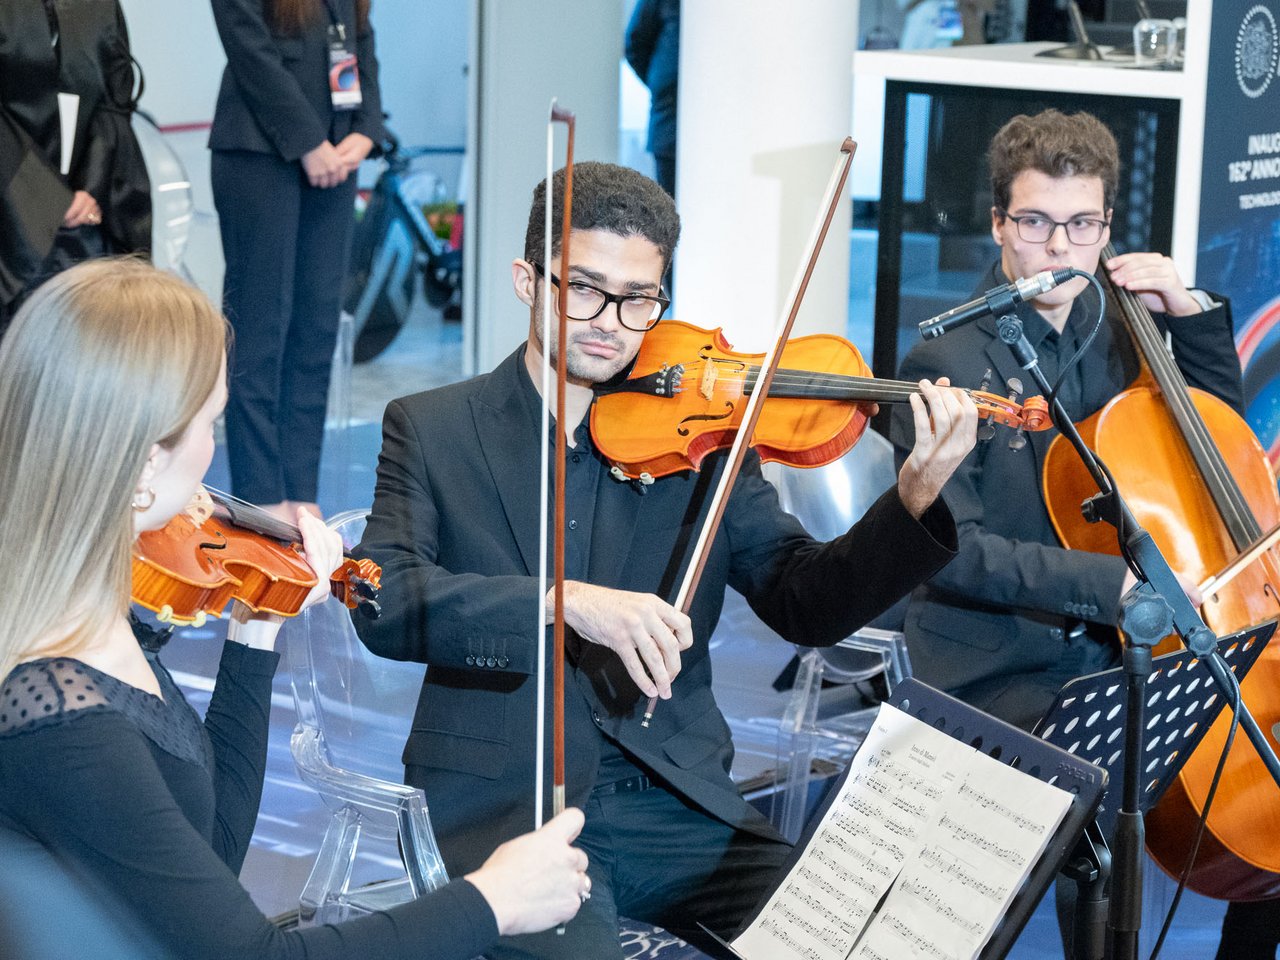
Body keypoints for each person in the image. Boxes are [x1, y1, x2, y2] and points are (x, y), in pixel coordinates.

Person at [353, 160, 978, 960]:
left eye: (640, 298)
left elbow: (805, 602)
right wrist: (561, 600)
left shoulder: (707, 439)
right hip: (508, 809)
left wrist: (915, 496)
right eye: (583, 288)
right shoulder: (432, 426)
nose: (611, 321)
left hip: (677, 796)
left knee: (850, 938)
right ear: (525, 279)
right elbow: (386, 603)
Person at [0, 259, 590, 960]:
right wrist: (492, 899)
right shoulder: (64, 717)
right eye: (212, 423)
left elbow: (209, 851)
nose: (213, 469)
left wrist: (255, 634)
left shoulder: (98, 625)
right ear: (145, 463)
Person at [888, 109, 1274, 959]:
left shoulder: (1124, 329)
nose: (1059, 250)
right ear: (999, 225)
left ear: (1105, 226)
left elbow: (1213, 441)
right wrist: (1114, 589)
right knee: (1098, 824)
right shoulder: (943, 364)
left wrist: (1190, 312)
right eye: (1034, 223)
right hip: (1001, 660)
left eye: (1082, 226)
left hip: (1118, 648)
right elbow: (957, 551)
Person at [209, 0, 385, 522]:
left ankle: (300, 491)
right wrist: (308, 141)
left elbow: (360, 42)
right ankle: (261, 498)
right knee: (260, 328)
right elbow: (248, 46)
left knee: (316, 329)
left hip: (338, 157)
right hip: (260, 155)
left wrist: (367, 129)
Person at [0, 0, 151, 331]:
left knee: (93, 342)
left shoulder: (99, 5)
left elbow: (113, 98)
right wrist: (49, 200)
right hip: (10, 225)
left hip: (87, 222)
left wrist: (89, 190)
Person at [624, 0, 679, 201]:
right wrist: (662, 85)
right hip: (669, 123)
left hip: (719, 129)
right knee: (669, 214)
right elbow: (635, 44)